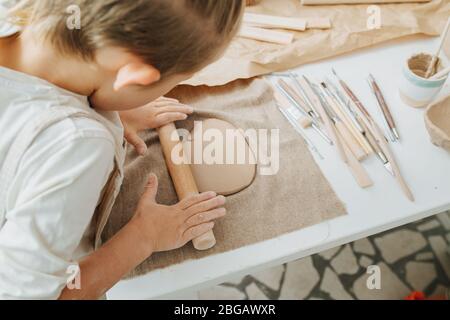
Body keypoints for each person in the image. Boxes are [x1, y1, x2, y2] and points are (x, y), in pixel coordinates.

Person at [0, 0, 244, 300]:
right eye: (173, 82)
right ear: (135, 76)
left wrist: (108, 107)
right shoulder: (79, 146)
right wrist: (144, 237)